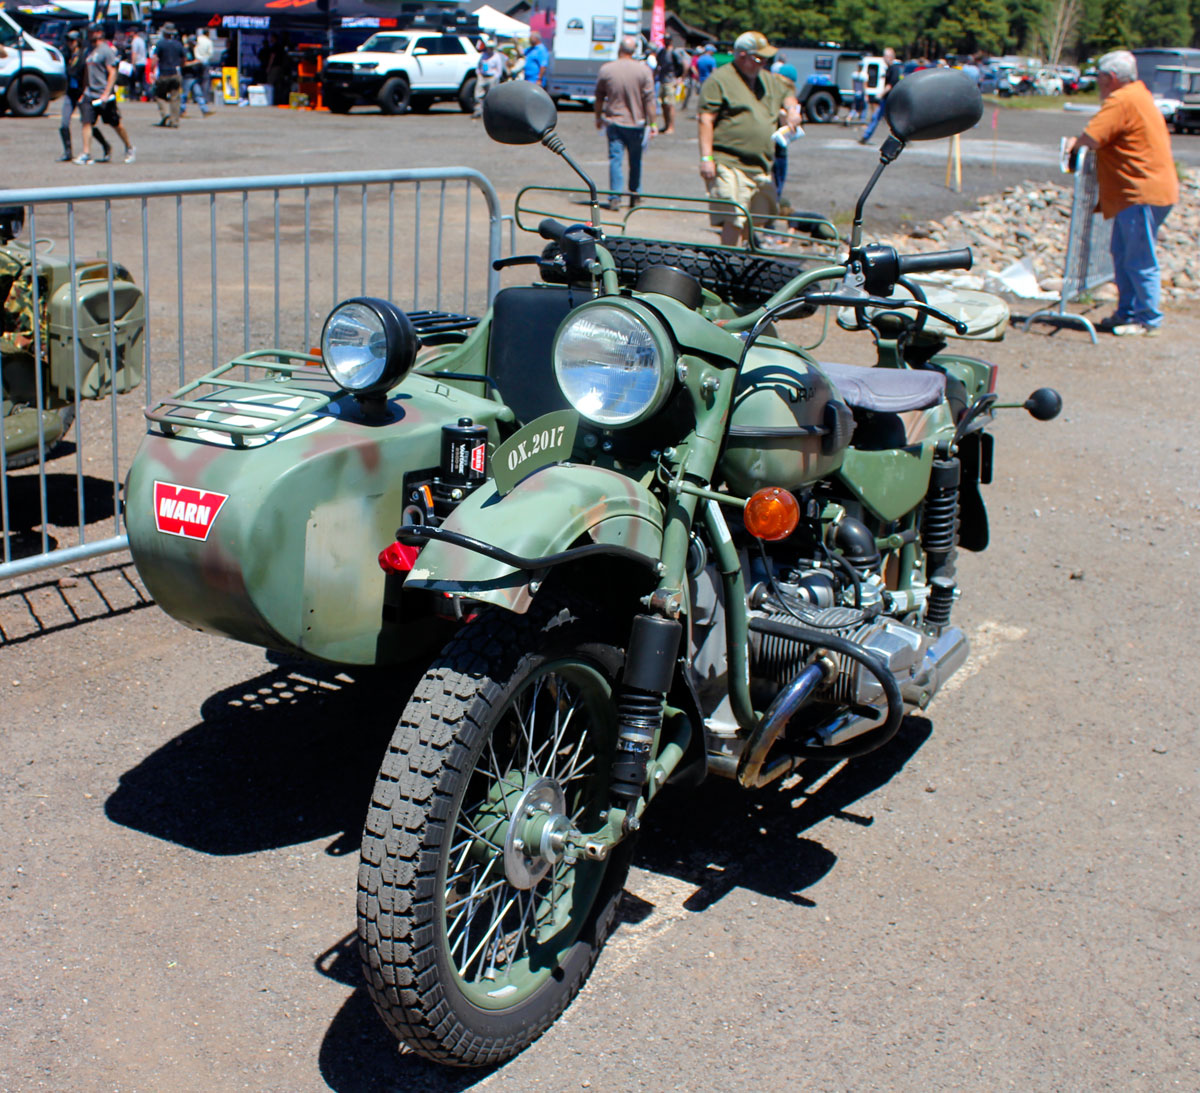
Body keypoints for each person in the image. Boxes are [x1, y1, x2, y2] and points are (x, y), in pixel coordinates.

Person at [1065, 50, 1178, 336]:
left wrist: (1074, 145)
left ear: (1111, 77)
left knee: (1138, 258)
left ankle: (1147, 318)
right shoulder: (1138, 95)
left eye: (1100, 77)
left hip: (1139, 191)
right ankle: (1127, 312)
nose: (1098, 84)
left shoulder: (1122, 100)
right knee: (1123, 252)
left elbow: (1093, 136)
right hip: (1143, 190)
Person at [696, 30, 800, 246]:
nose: (764, 63)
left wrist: (792, 111)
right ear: (742, 56)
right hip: (729, 161)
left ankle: (742, 256)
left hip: (761, 164)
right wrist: (706, 159)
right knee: (734, 217)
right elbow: (706, 119)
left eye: (766, 59)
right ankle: (728, 258)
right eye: (759, 58)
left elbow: (788, 94)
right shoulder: (720, 80)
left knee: (754, 217)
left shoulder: (768, 80)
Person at [594, 36, 656, 210]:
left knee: (616, 160)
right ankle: (635, 194)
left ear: (619, 49)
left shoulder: (607, 69)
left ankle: (615, 197)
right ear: (634, 50)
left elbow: (599, 97)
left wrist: (598, 117)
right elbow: (650, 100)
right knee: (635, 160)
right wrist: (653, 123)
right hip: (637, 123)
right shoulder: (644, 71)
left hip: (614, 121)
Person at [75, 23, 135, 165]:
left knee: (115, 124)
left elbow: (112, 73)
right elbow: (87, 73)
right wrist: (84, 90)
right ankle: (86, 153)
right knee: (86, 122)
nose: (89, 34)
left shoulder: (106, 50)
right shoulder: (89, 50)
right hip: (90, 94)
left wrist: (106, 93)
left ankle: (129, 147)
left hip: (104, 94)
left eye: (92, 32)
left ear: (99, 33)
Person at [59, 29, 112, 163]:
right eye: (68, 40)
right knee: (64, 123)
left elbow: (88, 75)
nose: (69, 43)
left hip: (83, 92)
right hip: (71, 92)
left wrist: (85, 92)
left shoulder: (85, 54)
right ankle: (68, 152)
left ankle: (105, 145)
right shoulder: (67, 55)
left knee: (87, 123)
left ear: (78, 41)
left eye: (72, 40)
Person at [858, 46, 900, 145]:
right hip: (888, 99)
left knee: (880, 118)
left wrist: (881, 94)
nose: (884, 58)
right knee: (882, 118)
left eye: (885, 56)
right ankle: (866, 137)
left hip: (890, 99)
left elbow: (891, 84)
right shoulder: (889, 68)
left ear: (891, 57)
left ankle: (866, 137)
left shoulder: (894, 69)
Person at [153, 22, 185, 127]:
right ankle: (174, 120)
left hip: (164, 73)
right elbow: (183, 58)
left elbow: (155, 58)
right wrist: (181, 65)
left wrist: (152, 70)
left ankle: (165, 113)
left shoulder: (160, 44)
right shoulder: (178, 44)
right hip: (175, 73)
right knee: (175, 97)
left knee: (159, 95)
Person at [655, 38, 684, 134]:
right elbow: (658, 65)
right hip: (662, 80)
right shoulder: (661, 52)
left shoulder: (674, 53)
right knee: (663, 104)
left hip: (671, 80)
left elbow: (682, 65)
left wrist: (679, 77)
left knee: (670, 104)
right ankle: (666, 125)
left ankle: (671, 126)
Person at [180, 34, 212, 116]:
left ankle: (205, 110)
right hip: (187, 76)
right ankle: (181, 110)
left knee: (198, 94)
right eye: (193, 44)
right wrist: (195, 62)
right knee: (184, 95)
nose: (194, 46)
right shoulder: (185, 51)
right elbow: (183, 64)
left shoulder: (193, 51)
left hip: (194, 76)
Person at [473, 38, 504, 118]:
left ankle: (491, 112)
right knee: (478, 94)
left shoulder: (496, 56)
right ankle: (478, 111)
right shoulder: (483, 55)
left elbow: (499, 69)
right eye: (489, 47)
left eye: (491, 48)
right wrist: (479, 73)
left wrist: (496, 77)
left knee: (491, 96)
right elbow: (479, 65)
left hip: (492, 77)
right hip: (482, 77)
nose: (490, 49)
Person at [128, 29, 147, 101]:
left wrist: (133, 64)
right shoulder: (141, 40)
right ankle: (147, 94)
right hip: (143, 62)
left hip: (138, 63)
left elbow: (134, 53)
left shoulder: (135, 41)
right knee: (142, 80)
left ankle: (133, 96)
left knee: (132, 80)